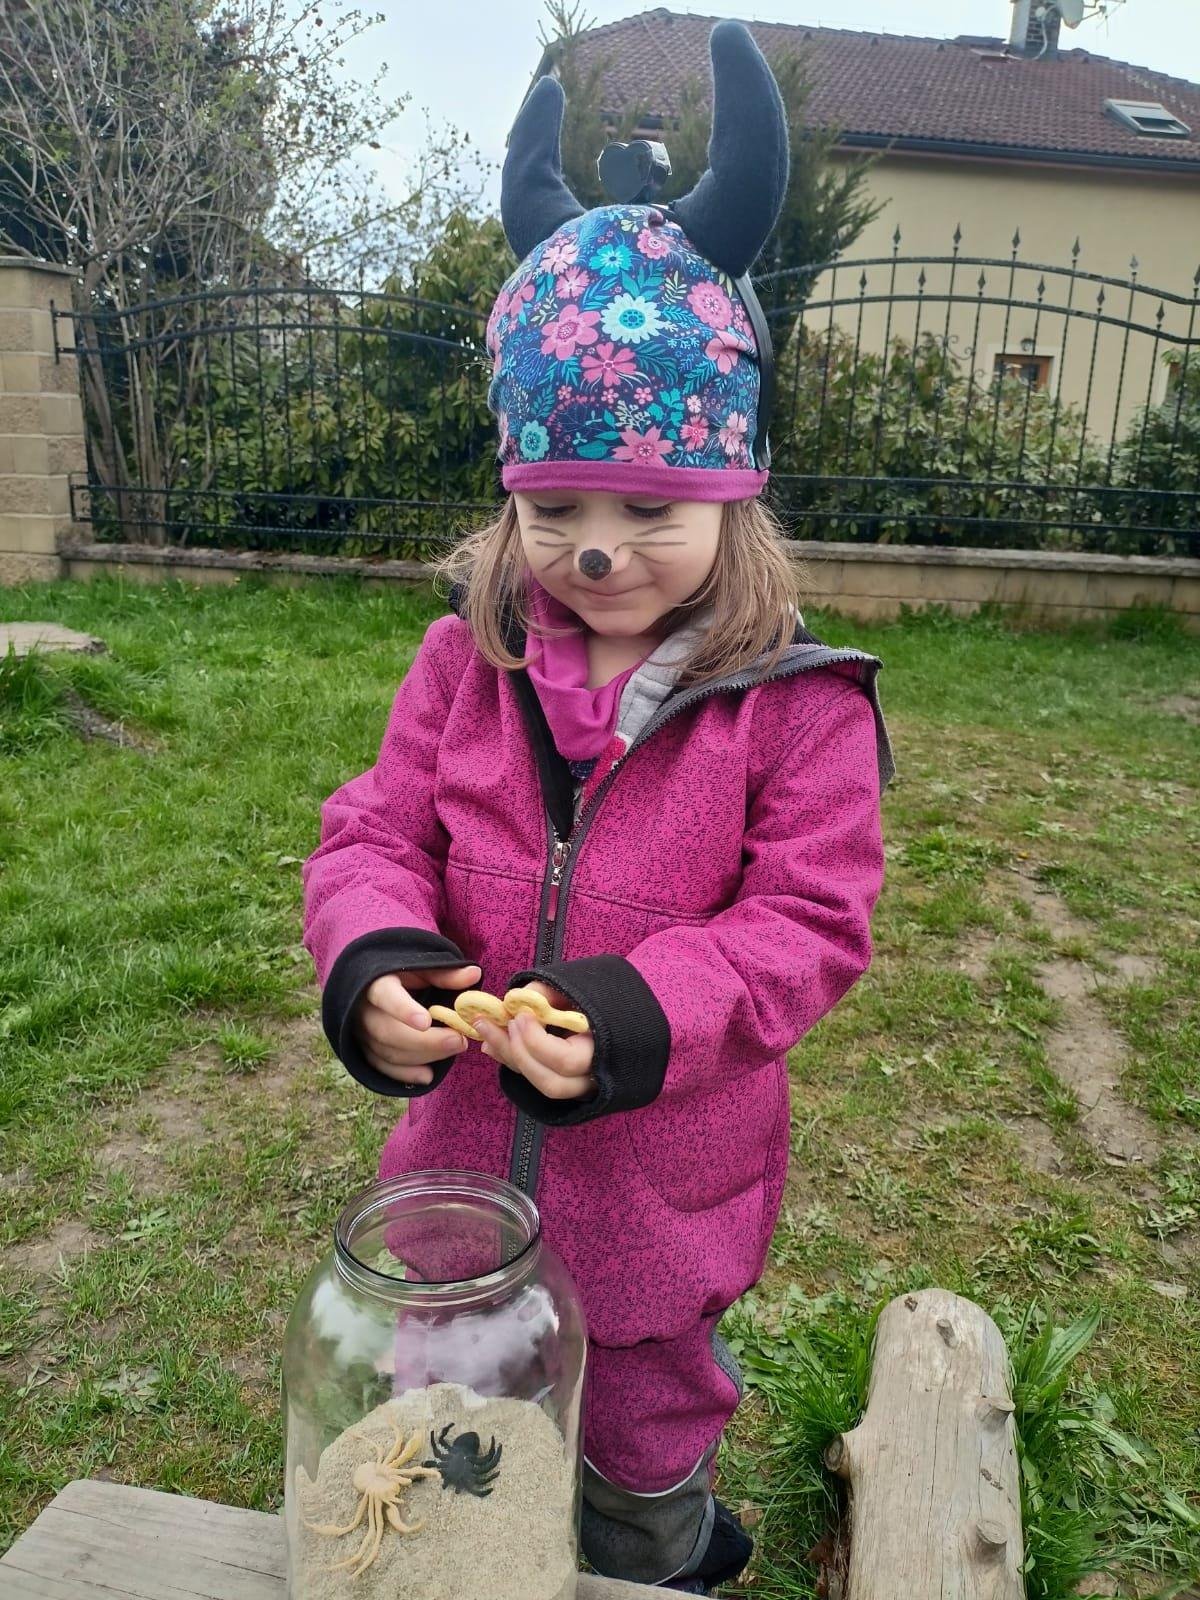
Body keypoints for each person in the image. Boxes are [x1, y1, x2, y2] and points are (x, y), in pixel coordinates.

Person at [303, 20, 895, 1594]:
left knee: (639, 1448)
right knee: (464, 1436)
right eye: (554, 504)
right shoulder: (465, 664)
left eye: (649, 507)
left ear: (733, 491)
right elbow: (374, 834)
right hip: (461, 1187)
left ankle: (658, 1550)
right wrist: (375, 967)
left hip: (658, 1201)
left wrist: (633, 1013)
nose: (595, 548)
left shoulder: (799, 707)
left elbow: (808, 926)